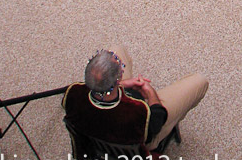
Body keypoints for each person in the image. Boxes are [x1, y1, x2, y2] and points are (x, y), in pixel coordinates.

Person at [62, 47, 208, 154]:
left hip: (97, 135)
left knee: (116, 47)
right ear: (118, 78)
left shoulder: (72, 94)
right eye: (121, 68)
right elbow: (157, 119)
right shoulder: (138, 112)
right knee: (199, 81)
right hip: (144, 139)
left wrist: (124, 85)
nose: (121, 67)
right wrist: (149, 92)